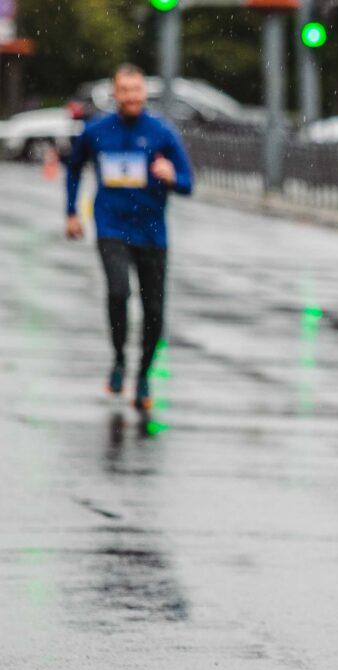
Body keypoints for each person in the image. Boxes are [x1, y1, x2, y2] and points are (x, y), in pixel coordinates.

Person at [65, 64, 193, 411]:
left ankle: (144, 374)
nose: (132, 97)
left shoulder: (161, 133)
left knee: (154, 311)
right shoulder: (96, 131)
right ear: (115, 93)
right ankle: (120, 358)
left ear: (143, 94)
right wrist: (72, 212)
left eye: (137, 91)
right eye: (125, 91)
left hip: (152, 233)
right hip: (111, 227)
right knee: (118, 291)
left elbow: (187, 182)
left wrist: (171, 176)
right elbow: (74, 168)